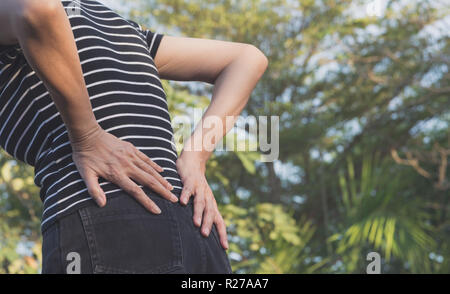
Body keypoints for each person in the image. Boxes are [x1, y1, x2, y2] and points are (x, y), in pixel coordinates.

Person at [0, 0, 268, 274]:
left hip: (105, 216)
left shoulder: (107, 21)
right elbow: (246, 59)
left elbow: (37, 8)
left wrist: (88, 136)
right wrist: (194, 157)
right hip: (195, 228)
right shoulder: (115, 25)